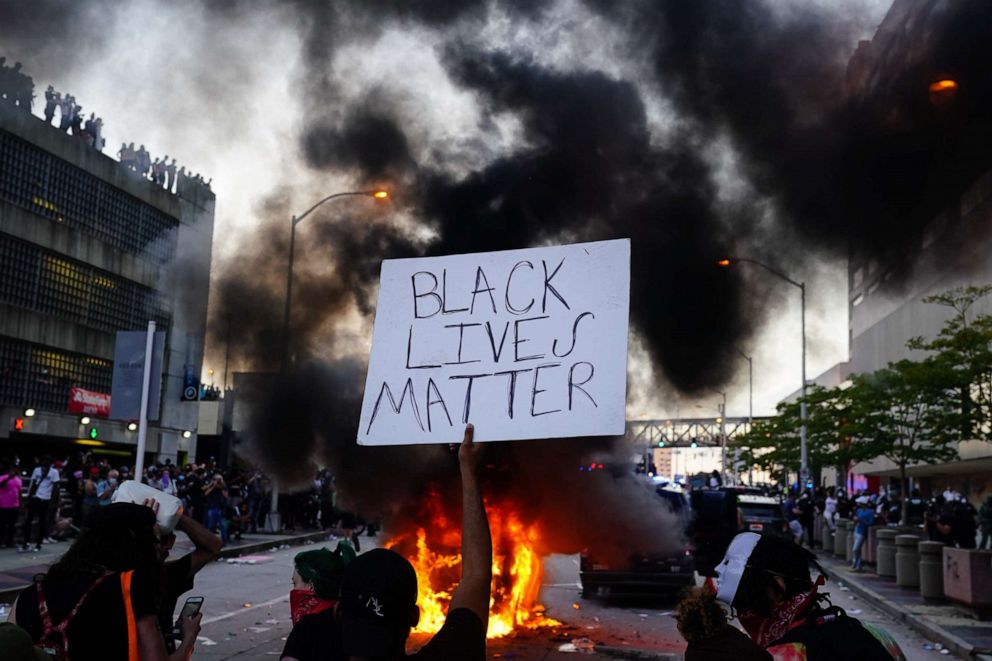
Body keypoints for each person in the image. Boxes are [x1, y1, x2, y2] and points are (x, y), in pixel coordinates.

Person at [337, 423, 490, 660]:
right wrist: (468, 468)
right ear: (415, 617)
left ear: (337, 613)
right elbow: (476, 576)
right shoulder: (453, 653)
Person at [9, 502, 201, 659]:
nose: (159, 550)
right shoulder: (129, 588)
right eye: (154, 540)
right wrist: (189, 638)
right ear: (137, 542)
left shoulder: (30, 594)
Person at [707, 532, 904, 659]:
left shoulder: (782, 655)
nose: (744, 615)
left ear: (778, 585)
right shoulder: (876, 634)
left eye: (744, 603)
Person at [156, 507, 222, 653]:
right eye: (164, 540)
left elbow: (213, 546)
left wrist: (176, 515)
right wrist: (189, 637)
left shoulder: (168, 573)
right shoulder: (159, 577)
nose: (169, 546)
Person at [280, 541, 357, 661]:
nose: (294, 589)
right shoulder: (355, 622)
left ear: (311, 586)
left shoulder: (306, 627)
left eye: (295, 583)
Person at [19, 456, 60, 552]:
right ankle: (26, 543)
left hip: (45, 499)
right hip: (35, 498)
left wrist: (53, 502)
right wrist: (29, 498)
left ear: (50, 465)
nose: (44, 468)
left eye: (46, 465)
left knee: (42, 522)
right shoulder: (36, 470)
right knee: (28, 520)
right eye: (43, 465)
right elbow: (32, 484)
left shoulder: (54, 472)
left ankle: (38, 544)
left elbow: (55, 488)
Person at [0, 460, 22, 548]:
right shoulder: (2, 477)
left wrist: (21, 505)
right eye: (13, 468)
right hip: (3, 505)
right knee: (2, 525)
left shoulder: (19, 480)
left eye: (16, 468)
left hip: (15, 506)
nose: (15, 470)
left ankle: (10, 542)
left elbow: (19, 492)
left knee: (12, 525)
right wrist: (9, 478)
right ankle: (1, 542)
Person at [851, 496, 875, 572]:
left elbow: (870, 523)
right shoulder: (859, 511)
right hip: (856, 530)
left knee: (855, 549)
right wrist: (855, 521)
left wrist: (861, 520)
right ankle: (857, 565)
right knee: (857, 550)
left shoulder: (870, 512)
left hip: (862, 532)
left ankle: (856, 564)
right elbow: (855, 519)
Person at [203, 473, 229, 545]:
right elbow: (206, 493)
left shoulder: (223, 486)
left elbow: (226, 496)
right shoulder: (211, 485)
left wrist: (221, 487)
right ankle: (209, 541)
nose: (217, 481)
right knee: (211, 526)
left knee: (223, 526)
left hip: (221, 509)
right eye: (216, 479)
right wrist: (213, 486)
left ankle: (224, 542)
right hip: (212, 507)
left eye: (219, 479)